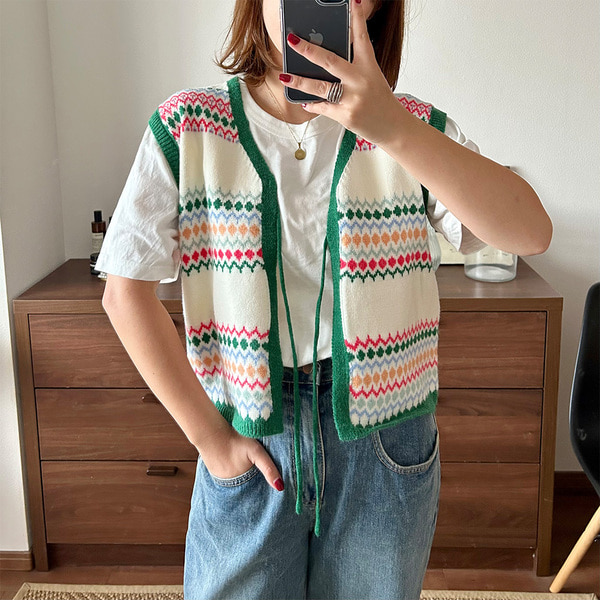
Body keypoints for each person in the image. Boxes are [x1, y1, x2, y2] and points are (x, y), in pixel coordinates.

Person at [97, 0, 553, 598]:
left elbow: (530, 232)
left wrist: (391, 127)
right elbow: (124, 293)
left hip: (385, 436)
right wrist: (212, 440)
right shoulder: (188, 127)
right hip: (249, 430)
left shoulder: (410, 127)